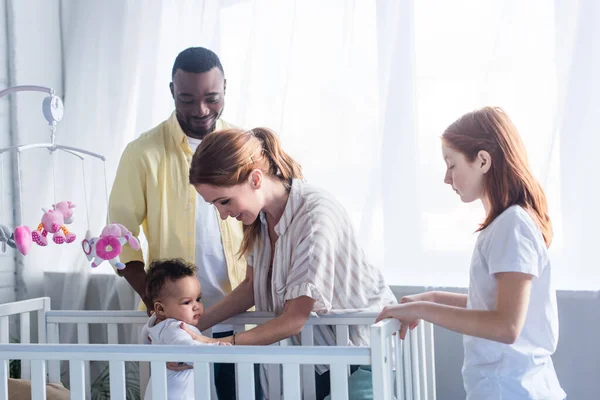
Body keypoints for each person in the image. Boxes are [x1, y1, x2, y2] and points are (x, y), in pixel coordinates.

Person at [183, 126, 397, 399]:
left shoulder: (314, 215)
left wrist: (214, 346)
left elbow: (295, 318)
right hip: (324, 358)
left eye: (224, 201)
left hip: (362, 352)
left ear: (255, 179)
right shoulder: (261, 220)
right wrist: (192, 327)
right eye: (215, 205)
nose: (223, 215)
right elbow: (251, 286)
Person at [376, 107, 566, 399]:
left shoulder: (512, 225)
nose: (446, 178)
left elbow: (507, 325)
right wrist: (433, 298)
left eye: (451, 165)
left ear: (483, 160)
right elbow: (495, 305)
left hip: (511, 389)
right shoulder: (507, 224)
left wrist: (423, 310)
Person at [108, 47, 247, 399]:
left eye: (212, 98)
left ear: (225, 89)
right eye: (186, 98)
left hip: (237, 307)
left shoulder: (241, 146)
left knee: (242, 393)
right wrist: (163, 306)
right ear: (172, 91)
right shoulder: (143, 152)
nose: (200, 110)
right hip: (175, 320)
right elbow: (118, 238)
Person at [142, 258, 228, 400]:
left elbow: (144, 338)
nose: (196, 306)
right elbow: (188, 349)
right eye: (187, 302)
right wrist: (217, 347)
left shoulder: (154, 325)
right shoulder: (175, 328)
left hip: (160, 391)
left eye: (198, 299)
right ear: (160, 308)